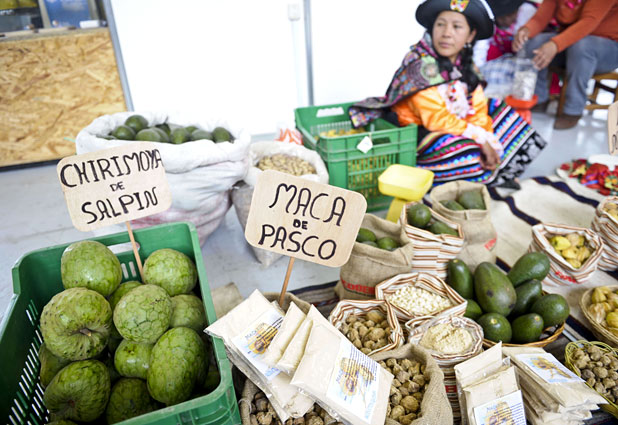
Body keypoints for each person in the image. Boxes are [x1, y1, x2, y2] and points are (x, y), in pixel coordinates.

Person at [349, 0, 547, 188]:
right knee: (466, 153)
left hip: (456, 126)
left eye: (457, 27)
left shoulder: (465, 65)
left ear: (470, 35)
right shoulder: (419, 65)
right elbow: (437, 120)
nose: (446, 33)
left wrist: (488, 139)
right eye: (440, 25)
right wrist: (480, 141)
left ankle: (490, 172)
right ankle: (485, 174)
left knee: (504, 114)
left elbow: (478, 110)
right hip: (419, 136)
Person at [512, 0, 618, 130]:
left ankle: (573, 109)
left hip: (608, 48)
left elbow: (588, 22)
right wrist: (526, 30)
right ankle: (539, 98)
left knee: (582, 47)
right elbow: (540, 17)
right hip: (572, 43)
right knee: (534, 43)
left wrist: (555, 44)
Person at [473, 0, 538, 97]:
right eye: (502, 17)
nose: (507, 20)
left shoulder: (528, 12)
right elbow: (480, 49)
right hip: (497, 59)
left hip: (520, 59)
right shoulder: (487, 19)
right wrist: (478, 71)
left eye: (510, 15)